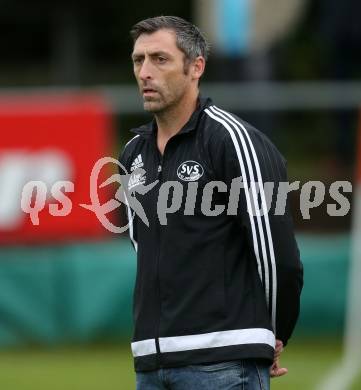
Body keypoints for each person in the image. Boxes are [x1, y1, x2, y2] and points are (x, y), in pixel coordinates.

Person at [119, 15, 303, 390]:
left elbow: (276, 254)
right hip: (151, 364)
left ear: (196, 67)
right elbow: (144, 247)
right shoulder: (132, 154)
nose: (145, 72)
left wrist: (273, 332)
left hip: (223, 362)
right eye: (139, 60)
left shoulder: (233, 140)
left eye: (160, 59)